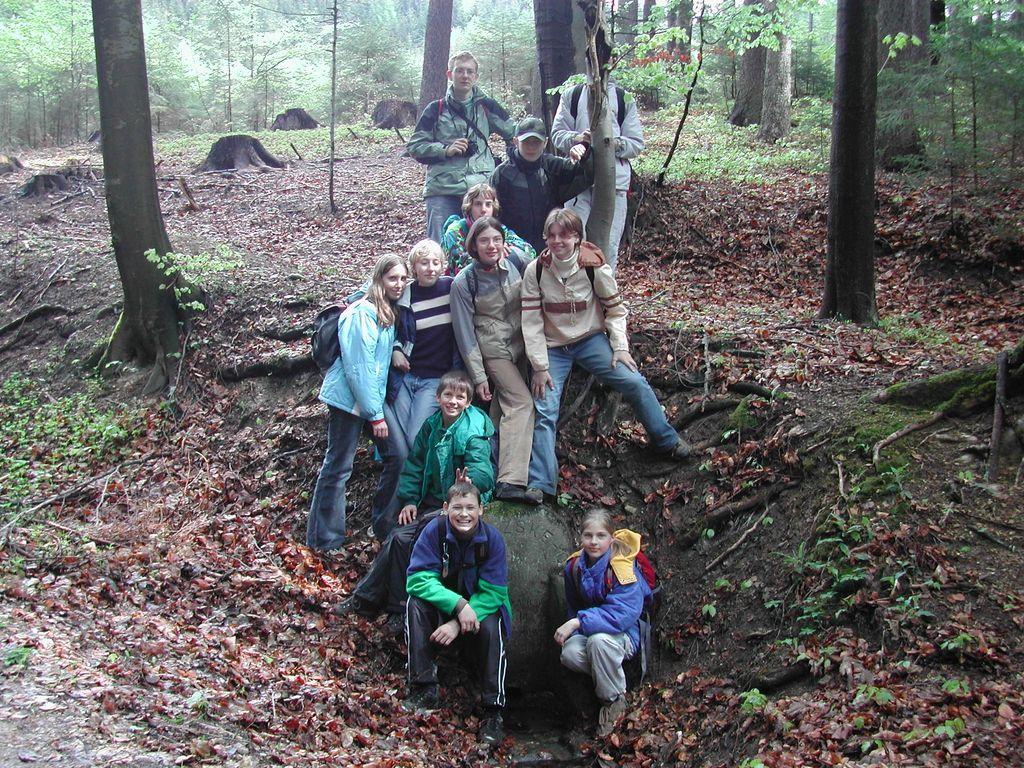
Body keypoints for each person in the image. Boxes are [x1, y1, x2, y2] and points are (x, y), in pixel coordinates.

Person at [521, 209, 691, 499]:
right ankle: (541, 483)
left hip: (590, 340)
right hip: (553, 348)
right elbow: (532, 322)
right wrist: (539, 365)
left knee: (634, 382)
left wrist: (620, 347)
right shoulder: (535, 270)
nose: (557, 241)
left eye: (564, 235)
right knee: (545, 408)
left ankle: (666, 440)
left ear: (576, 237)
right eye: (552, 235)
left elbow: (615, 310)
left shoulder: (594, 267)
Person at [334, 372, 495, 629]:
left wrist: (469, 481)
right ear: (438, 397)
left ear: (468, 402)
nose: (453, 401)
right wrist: (409, 500)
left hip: (457, 507)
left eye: (460, 397)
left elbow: (483, 469)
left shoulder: (472, 430)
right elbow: (415, 465)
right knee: (398, 536)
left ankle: (383, 605)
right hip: (430, 503)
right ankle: (378, 603)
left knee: (401, 539)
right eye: (448, 395)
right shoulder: (431, 426)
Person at [307, 254, 408, 553]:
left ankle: (385, 526)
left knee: (398, 455)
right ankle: (325, 540)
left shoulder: (387, 311)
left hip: (370, 398)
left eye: (403, 279)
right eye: (393, 279)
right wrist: (376, 416)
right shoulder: (361, 313)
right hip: (348, 400)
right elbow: (359, 367)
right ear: (378, 279)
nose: (399, 284)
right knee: (338, 466)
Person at [405, 480, 511, 746]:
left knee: (492, 624)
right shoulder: (434, 532)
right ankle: (423, 687)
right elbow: (417, 579)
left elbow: (494, 593)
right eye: (457, 508)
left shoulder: (492, 540)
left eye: (470, 508)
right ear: (445, 508)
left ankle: (493, 709)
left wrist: (459, 620)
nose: (464, 514)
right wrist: (458, 605)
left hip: (479, 611)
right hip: (449, 606)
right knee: (415, 604)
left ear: (481, 510)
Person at [374, 240, 464, 539]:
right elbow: (391, 327)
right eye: (424, 263)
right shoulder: (406, 293)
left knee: (415, 438)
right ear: (415, 266)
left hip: (433, 380)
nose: (430, 268)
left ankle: (417, 504)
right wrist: (397, 349)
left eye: (435, 263)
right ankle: (392, 515)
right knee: (396, 442)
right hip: (404, 377)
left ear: (444, 265)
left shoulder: (452, 288)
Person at [451, 216, 543, 505]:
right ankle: (511, 481)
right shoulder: (464, 282)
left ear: (504, 241)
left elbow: (546, 269)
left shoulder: (518, 260)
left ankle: (487, 478)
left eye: (496, 239)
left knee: (502, 409)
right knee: (521, 402)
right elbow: (465, 335)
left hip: (522, 345)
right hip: (494, 351)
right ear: (473, 246)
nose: (491, 246)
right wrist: (479, 377)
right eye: (483, 241)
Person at [555, 510, 649, 737]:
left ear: (611, 538)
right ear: (581, 537)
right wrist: (576, 624)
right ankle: (605, 674)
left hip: (625, 634)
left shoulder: (622, 567)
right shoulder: (574, 566)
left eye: (600, 536)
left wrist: (578, 622)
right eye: (588, 535)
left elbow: (623, 613)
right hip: (591, 632)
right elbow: (574, 603)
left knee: (599, 643)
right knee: (569, 653)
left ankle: (614, 702)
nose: (594, 542)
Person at [407, 51, 516, 243]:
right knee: (439, 248)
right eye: (459, 71)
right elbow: (415, 146)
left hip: (479, 190)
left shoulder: (486, 106)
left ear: (476, 76)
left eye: (469, 71)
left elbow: (514, 133)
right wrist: (445, 150)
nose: (464, 76)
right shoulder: (436, 109)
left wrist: (511, 164)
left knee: (483, 244)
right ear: (450, 75)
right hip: (443, 189)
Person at [550, 79, 644, 271]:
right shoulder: (572, 95)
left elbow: (636, 143)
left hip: (614, 183)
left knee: (608, 247)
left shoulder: (623, 98)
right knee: (573, 242)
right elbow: (557, 134)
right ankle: (574, 295)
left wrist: (609, 142)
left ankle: (605, 296)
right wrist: (578, 139)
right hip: (577, 183)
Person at [489, 117, 594, 254]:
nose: (531, 147)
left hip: (551, 247)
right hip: (514, 249)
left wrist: (584, 150)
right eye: (526, 142)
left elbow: (586, 174)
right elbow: (492, 215)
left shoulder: (554, 167)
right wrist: (499, 241)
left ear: (545, 143)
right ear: (515, 141)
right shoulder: (502, 174)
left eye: (536, 142)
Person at [439, 183, 535, 276]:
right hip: (465, 283)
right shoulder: (455, 231)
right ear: (469, 207)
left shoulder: (496, 228)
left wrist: (505, 246)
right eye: (478, 204)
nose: (483, 209)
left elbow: (529, 251)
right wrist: (492, 253)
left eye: (488, 204)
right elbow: (459, 265)